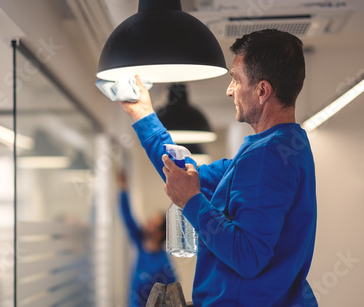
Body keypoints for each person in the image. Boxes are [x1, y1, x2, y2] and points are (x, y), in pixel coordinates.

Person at [119, 29, 318, 306]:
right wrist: (143, 115)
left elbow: (248, 257)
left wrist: (191, 201)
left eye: (235, 80)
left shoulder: (270, 156)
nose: (229, 90)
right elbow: (183, 174)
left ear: (262, 91)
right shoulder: (274, 148)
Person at [117, 170, 177, 307]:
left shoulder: (164, 265)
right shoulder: (141, 244)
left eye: (152, 224)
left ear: (160, 233)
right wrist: (122, 188)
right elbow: (127, 218)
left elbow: (173, 296)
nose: (146, 224)